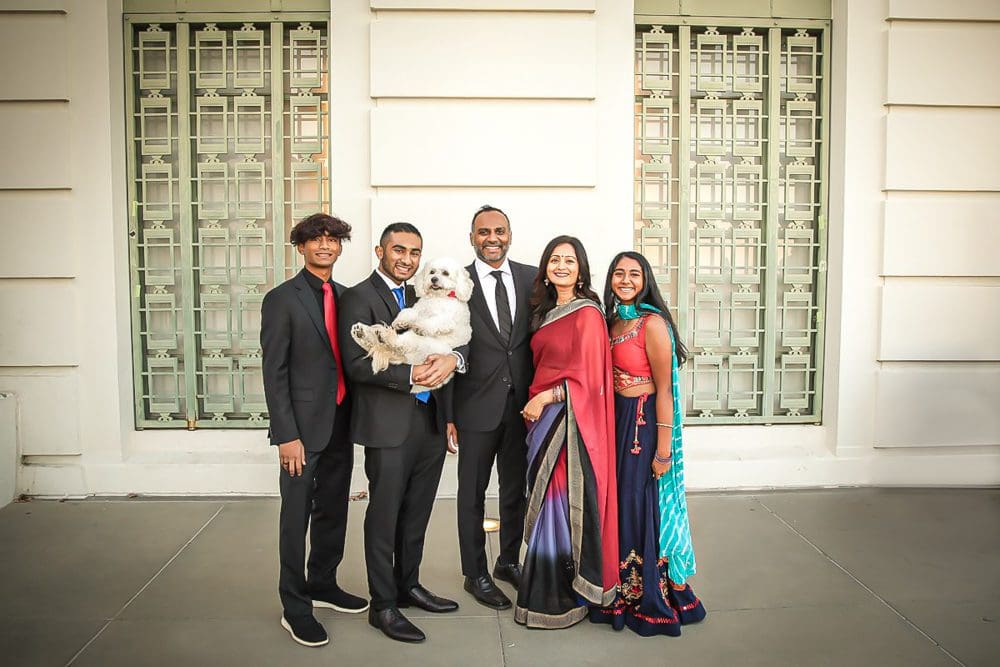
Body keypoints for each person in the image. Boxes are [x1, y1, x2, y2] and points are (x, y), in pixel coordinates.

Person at [338, 222, 467, 643]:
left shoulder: (421, 297)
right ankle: (383, 605)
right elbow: (357, 365)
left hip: (428, 422)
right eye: (398, 250)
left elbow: (450, 342)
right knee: (384, 514)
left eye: (414, 252)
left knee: (417, 512)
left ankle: (408, 585)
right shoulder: (357, 296)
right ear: (380, 251)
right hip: (388, 425)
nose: (407, 259)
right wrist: (409, 372)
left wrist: (447, 413)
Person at [261, 213, 368, 648]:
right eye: (315, 239)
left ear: (340, 247)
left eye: (332, 239)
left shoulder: (346, 297)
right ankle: (295, 605)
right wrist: (286, 434)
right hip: (301, 432)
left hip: (342, 421)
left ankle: (323, 583)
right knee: (295, 516)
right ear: (301, 247)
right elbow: (274, 371)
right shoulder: (282, 299)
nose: (324, 246)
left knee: (333, 509)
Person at [589, 251, 706, 636]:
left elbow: (666, 392)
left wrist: (663, 450)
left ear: (645, 280)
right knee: (618, 505)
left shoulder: (651, 323)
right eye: (618, 273)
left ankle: (647, 597)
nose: (625, 279)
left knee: (640, 506)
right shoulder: (609, 323)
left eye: (633, 274)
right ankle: (618, 588)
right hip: (615, 424)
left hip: (642, 426)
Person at [514, 235, 618, 629]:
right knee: (542, 503)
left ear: (580, 269)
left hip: (569, 423)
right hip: (541, 422)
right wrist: (537, 404)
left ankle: (560, 596)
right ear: (545, 268)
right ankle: (543, 589)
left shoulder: (588, 314)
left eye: (569, 261)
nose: (561, 266)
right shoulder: (543, 312)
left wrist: (546, 399)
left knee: (557, 505)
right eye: (554, 259)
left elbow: (591, 378)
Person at [448, 205, 535, 610]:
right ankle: (475, 574)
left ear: (510, 234)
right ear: (472, 238)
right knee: (472, 494)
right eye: (483, 232)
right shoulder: (455, 283)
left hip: (522, 408)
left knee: (515, 491)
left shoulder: (532, 278)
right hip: (474, 408)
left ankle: (508, 561)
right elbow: (444, 345)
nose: (492, 238)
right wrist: (446, 414)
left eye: (499, 230)